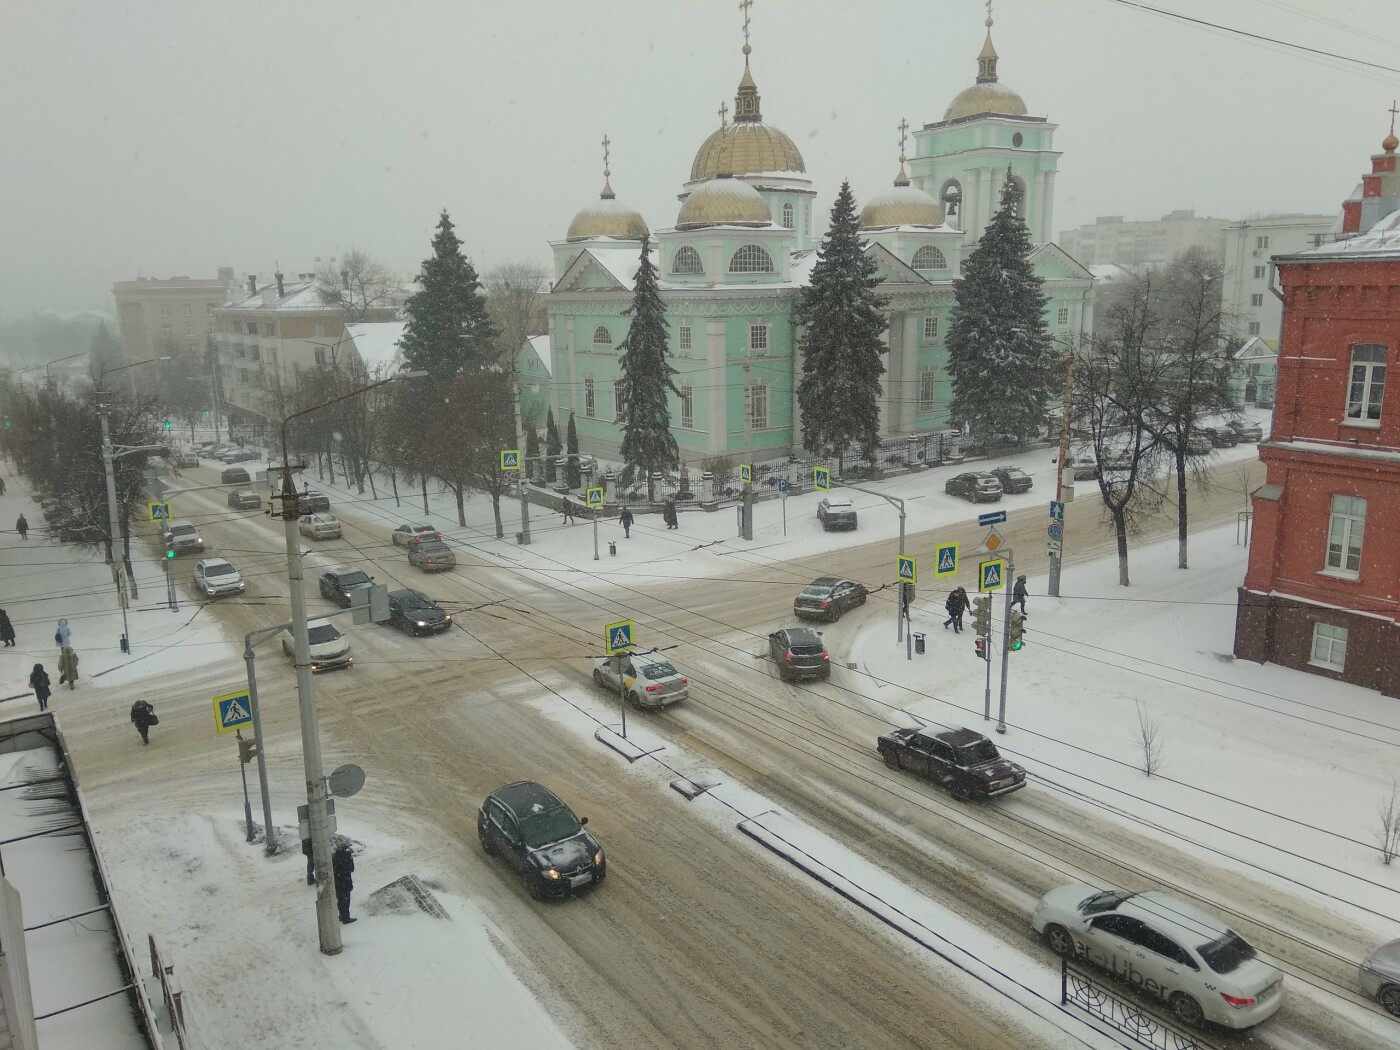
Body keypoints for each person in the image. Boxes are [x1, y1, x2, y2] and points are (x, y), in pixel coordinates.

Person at [332, 838, 356, 924]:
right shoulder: (347, 856)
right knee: (346, 899)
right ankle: (346, 917)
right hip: (345, 881)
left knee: (340, 899)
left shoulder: (334, 857)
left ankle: (342, 915)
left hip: (337, 882)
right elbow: (351, 869)